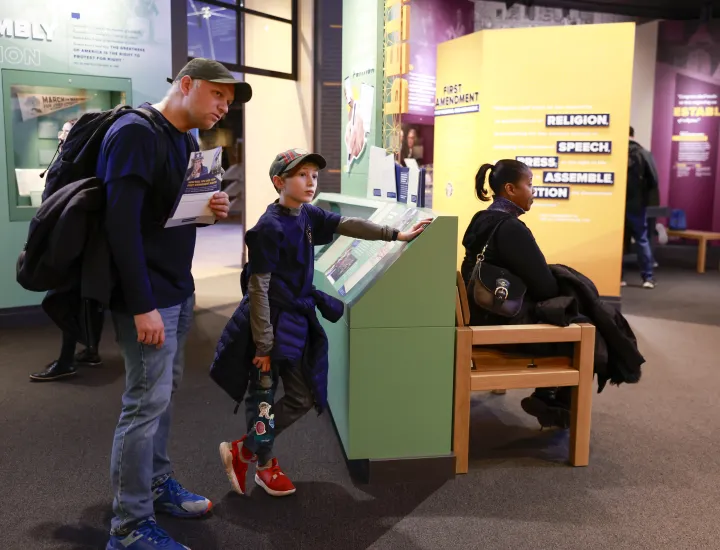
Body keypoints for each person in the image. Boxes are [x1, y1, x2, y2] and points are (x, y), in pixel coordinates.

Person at [215, 149, 430, 497]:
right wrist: (264, 345)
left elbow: (346, 225)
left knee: (300, 397)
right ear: (278, 182)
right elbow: (259, 288)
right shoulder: (267, 228)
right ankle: (265, 465)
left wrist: (395, 234)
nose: (311, 181)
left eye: (314, 175)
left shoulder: (307, 214)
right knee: (263, 396)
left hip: (297, 319)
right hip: (268, 322)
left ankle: (242, 451)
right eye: (302, 175)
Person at [104, 58, 251, 550]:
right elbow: (119, 227)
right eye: (217, 96)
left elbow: (172, 216)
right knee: (143, 407)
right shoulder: (135, 133)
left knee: (161, 399)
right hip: (147, 297)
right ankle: (127, 526)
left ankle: (157, 486)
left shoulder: (187, 141)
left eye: (229, 103)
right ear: (186, 85)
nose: (223, 108)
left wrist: (210, 214)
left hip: (177, 289)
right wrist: (142, 304)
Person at [461, 160, 645, 430]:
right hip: (497, 323)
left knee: (568, 312)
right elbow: (545, 287)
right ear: (510, 189)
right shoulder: (511, 228)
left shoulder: (482, 219)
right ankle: (552, 400)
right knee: (584, 327)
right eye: (530, 185)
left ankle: (549, 397)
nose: (533, 191)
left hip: (480, 313)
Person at [30, 118, 104, 382]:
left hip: (65, 244)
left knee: (63, 299)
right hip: (86, 244)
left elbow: (49, 205)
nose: (60, 134)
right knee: (83, 298)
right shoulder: (91, 163)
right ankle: (91, 350)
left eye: (65, 131)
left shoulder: (66, 166)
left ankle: (65, 361)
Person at [623, 126, 659, 289]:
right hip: (637, 204)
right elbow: (653, 180)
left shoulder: (617, 152)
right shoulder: (644, 153)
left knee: (619, 242)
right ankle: (648, 278)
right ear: (633, 135)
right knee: (642, 240)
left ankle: (618, 278)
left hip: (616, 205)